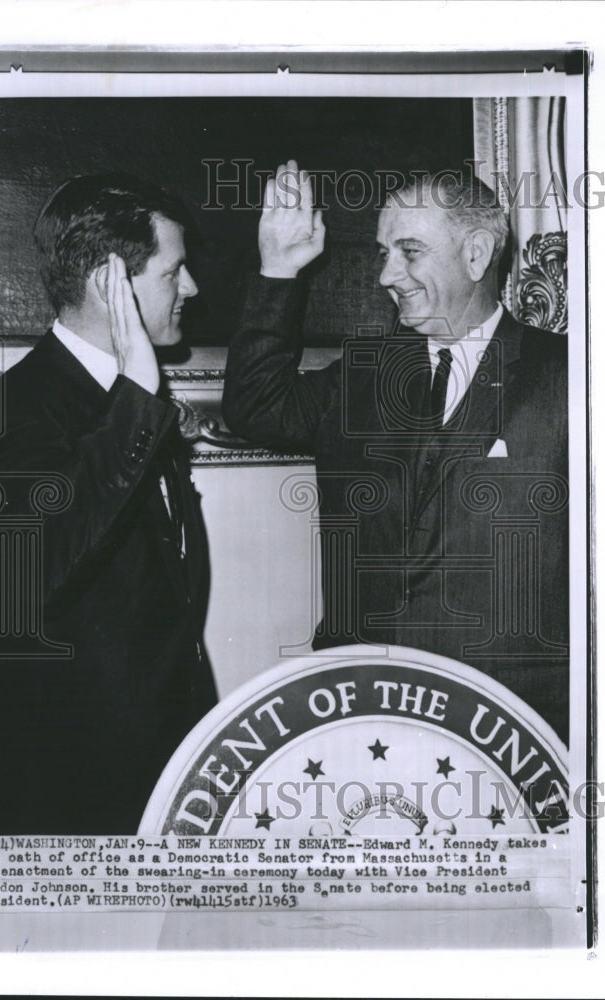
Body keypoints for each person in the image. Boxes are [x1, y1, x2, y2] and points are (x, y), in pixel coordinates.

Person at [223, 161, 569, 742]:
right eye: (384, 253)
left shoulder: (571, 376)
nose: (388, 273)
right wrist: (279, 268)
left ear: (477, 254)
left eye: (409, 251)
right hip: (363, 712)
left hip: (512, 726)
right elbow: (255, 404)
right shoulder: (365, 376)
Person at [0, 174, 218, 834]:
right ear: (113, 281)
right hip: (66, 795)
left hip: (156, 780)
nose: (190, 288)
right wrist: (138, 383)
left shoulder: (128, 400)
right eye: (175, 270)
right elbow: (46, 561)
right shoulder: (18, 408)